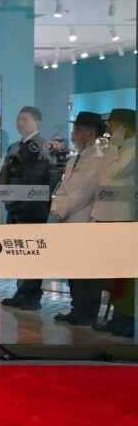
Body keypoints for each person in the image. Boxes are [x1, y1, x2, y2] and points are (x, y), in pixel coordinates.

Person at [50, 112, 106, 326]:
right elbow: (65, 187)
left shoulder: (97, 158)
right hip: (70, 220)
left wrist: (61, 210)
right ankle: (78, 307)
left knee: (86, 268)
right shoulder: (75, 158)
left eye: (79, 129)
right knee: (73, 266)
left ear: (91, 133)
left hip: (82, 219)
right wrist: (57, 207)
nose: (74, 132)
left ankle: (87, 310)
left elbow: (82, 191)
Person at [0, 105, 55, 309]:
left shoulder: (43, 146)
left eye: (25, 119)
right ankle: (21, 292)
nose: (20, 122)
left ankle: (32, 296)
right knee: (19, 251)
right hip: (15, 208)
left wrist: (15, 196)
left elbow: (34, 178)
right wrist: (4, 193)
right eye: (18, 119)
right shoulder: (14, 146)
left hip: (33, 208)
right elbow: (4, 173)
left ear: (37, 123)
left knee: (32, 252)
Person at [91, 109, 135, 338]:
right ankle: (118, 315)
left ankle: (126, 318)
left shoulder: (132, 148)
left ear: (125, 126)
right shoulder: (117, 149)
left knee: (123, 273)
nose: (109, 129)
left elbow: (114, 171)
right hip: (107, 214)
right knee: (112, 270)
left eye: (113, 125)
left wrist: (113, 146)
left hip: (122, 216)